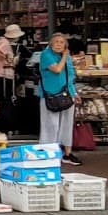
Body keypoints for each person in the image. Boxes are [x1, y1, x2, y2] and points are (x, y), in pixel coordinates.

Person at [38, 33, 82, 167]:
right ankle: (49, 153)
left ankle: (67, 154)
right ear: (51, 44)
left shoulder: (67, 57)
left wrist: (74, 93)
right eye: (56, 42)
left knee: (67, 124)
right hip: (50, 95)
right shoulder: (46, 55)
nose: (58, 44)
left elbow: (69, 75)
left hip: (66, 93)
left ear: (65, 45)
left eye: (61, 42)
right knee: (51, 125)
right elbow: (57, 69)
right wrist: (64, 56)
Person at [0, 25, 24, 110]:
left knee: (2, 95)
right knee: (4, 96)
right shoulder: (4, 42)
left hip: (0, 73)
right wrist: (5, 57)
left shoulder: (2, 41)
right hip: (2, 73)